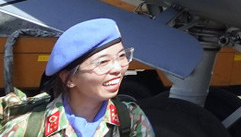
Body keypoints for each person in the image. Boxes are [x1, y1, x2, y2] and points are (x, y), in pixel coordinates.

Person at [0, 19, 153, 137]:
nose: (118, 68)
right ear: (69, 79)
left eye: (121, 56)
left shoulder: (131, 118)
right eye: (103, 62)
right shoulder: (29, 128)